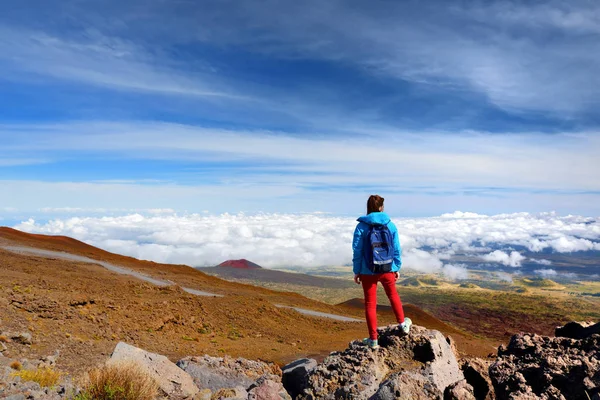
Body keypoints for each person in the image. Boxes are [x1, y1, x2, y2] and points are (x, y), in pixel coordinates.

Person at [352, 194, 411, 349]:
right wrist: (396, 267)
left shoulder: (361, 226)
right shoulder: (390, 225)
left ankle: (373, 340)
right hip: (387, 269)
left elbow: (357, 251)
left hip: (367, 270)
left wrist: (357, 271)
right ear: (381, 207)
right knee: (393, 295)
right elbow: (396, 248)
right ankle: (403, 325)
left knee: (370, 304)